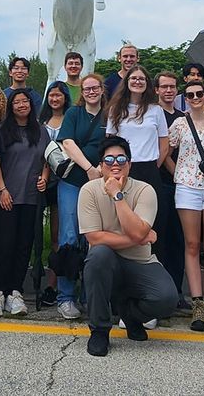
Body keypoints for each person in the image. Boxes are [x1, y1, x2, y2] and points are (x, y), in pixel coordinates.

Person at [80, 136, 178, 356]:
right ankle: (99, 331)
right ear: (101, 165)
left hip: (140, 262)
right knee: (98, 256)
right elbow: (95, 238)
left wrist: (117, 195)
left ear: (130, 163)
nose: (116, 163)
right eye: (109, 159)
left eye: (122, 158)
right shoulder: (89, 190)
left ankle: (131, 315)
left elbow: (136, 230)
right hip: (106, 262)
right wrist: (139, 238)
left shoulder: (145, 190)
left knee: (167, 298)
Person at [105, 65, 170, 329]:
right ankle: (122, 304)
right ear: (127, 81)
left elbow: (164, 142)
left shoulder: (155, 111)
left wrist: (154, 166)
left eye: (143, 79)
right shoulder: (115, 110)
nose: (138, 82)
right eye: (134, 78)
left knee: (149, 234)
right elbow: (109, 145)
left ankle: (149, 304)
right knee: (121, 230)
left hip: (148, 170)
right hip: (121, 172)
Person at [168, 79, 204, 332]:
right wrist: (177, 173)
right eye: (190, 95)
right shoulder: (179, 124)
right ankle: (197, 304)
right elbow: (166, 153)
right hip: (187, 188)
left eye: (199, 94)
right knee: (192, 245)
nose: (195, 98)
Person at [0, 91, 50, 317]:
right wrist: (2, 189)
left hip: (31, 197)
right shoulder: (1, 130)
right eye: (17, 102)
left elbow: (47, 160)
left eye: (25, 102)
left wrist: (44, 177)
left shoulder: (41, 131)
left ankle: (15, 292)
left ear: (32, 106)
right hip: (6, 196)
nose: (21, 105)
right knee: (3, 245)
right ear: (10, 107)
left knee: (24, 246)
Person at [54, 72, 108, 320]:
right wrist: (89, 168)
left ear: (101, 89)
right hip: (73, 182)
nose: (91, 92)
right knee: (69, 236)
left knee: (94, 238)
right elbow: (67, 143)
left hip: (102, 184)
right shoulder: (74, 114)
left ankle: (90, 295)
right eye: (86, 89)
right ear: (82, 92)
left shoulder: (110, 115)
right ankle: (66, 296)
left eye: (95, 87)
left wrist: (101, 173)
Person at [154, 71, 187, 309]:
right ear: (156, 90)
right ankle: (159, 291)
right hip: (160, 182)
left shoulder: (184, 117)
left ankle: (177, 292)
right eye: (164, 87)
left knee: (179, 239)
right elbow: (162, 151)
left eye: (172, 87)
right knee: (159, 237)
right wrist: (177, 173)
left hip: (182, 186)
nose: (168, 91)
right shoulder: (152, 114)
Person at [38, 80, 71, 305]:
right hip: (41, 179)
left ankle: (54, 283)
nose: (55, 99)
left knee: (58, 235)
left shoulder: (71, 119)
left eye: (59, 95)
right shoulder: (40, 121)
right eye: (51, 95)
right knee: (37, 235)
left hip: (65, 179)